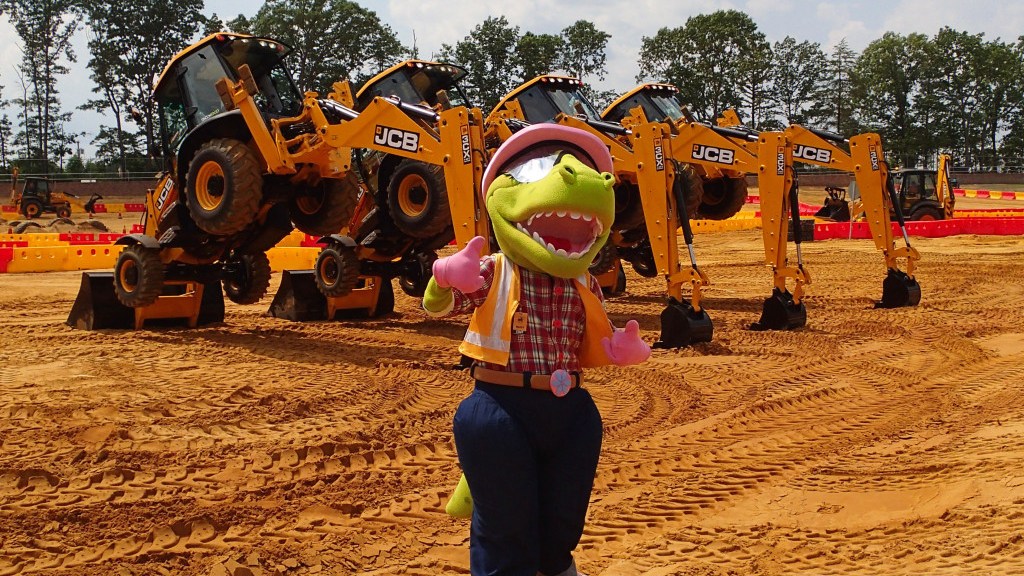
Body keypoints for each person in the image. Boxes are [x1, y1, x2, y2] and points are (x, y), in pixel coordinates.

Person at [422, 124, 651, 576]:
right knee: (507, 523)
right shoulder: (494, 269)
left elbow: (592, 338)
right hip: (502, 405)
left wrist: (619, 348)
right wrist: (445, 276)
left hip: (570, 410)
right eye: (540, 168)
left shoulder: (585, 282)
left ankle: (557, 564)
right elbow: (440, 307)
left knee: (564, 514)